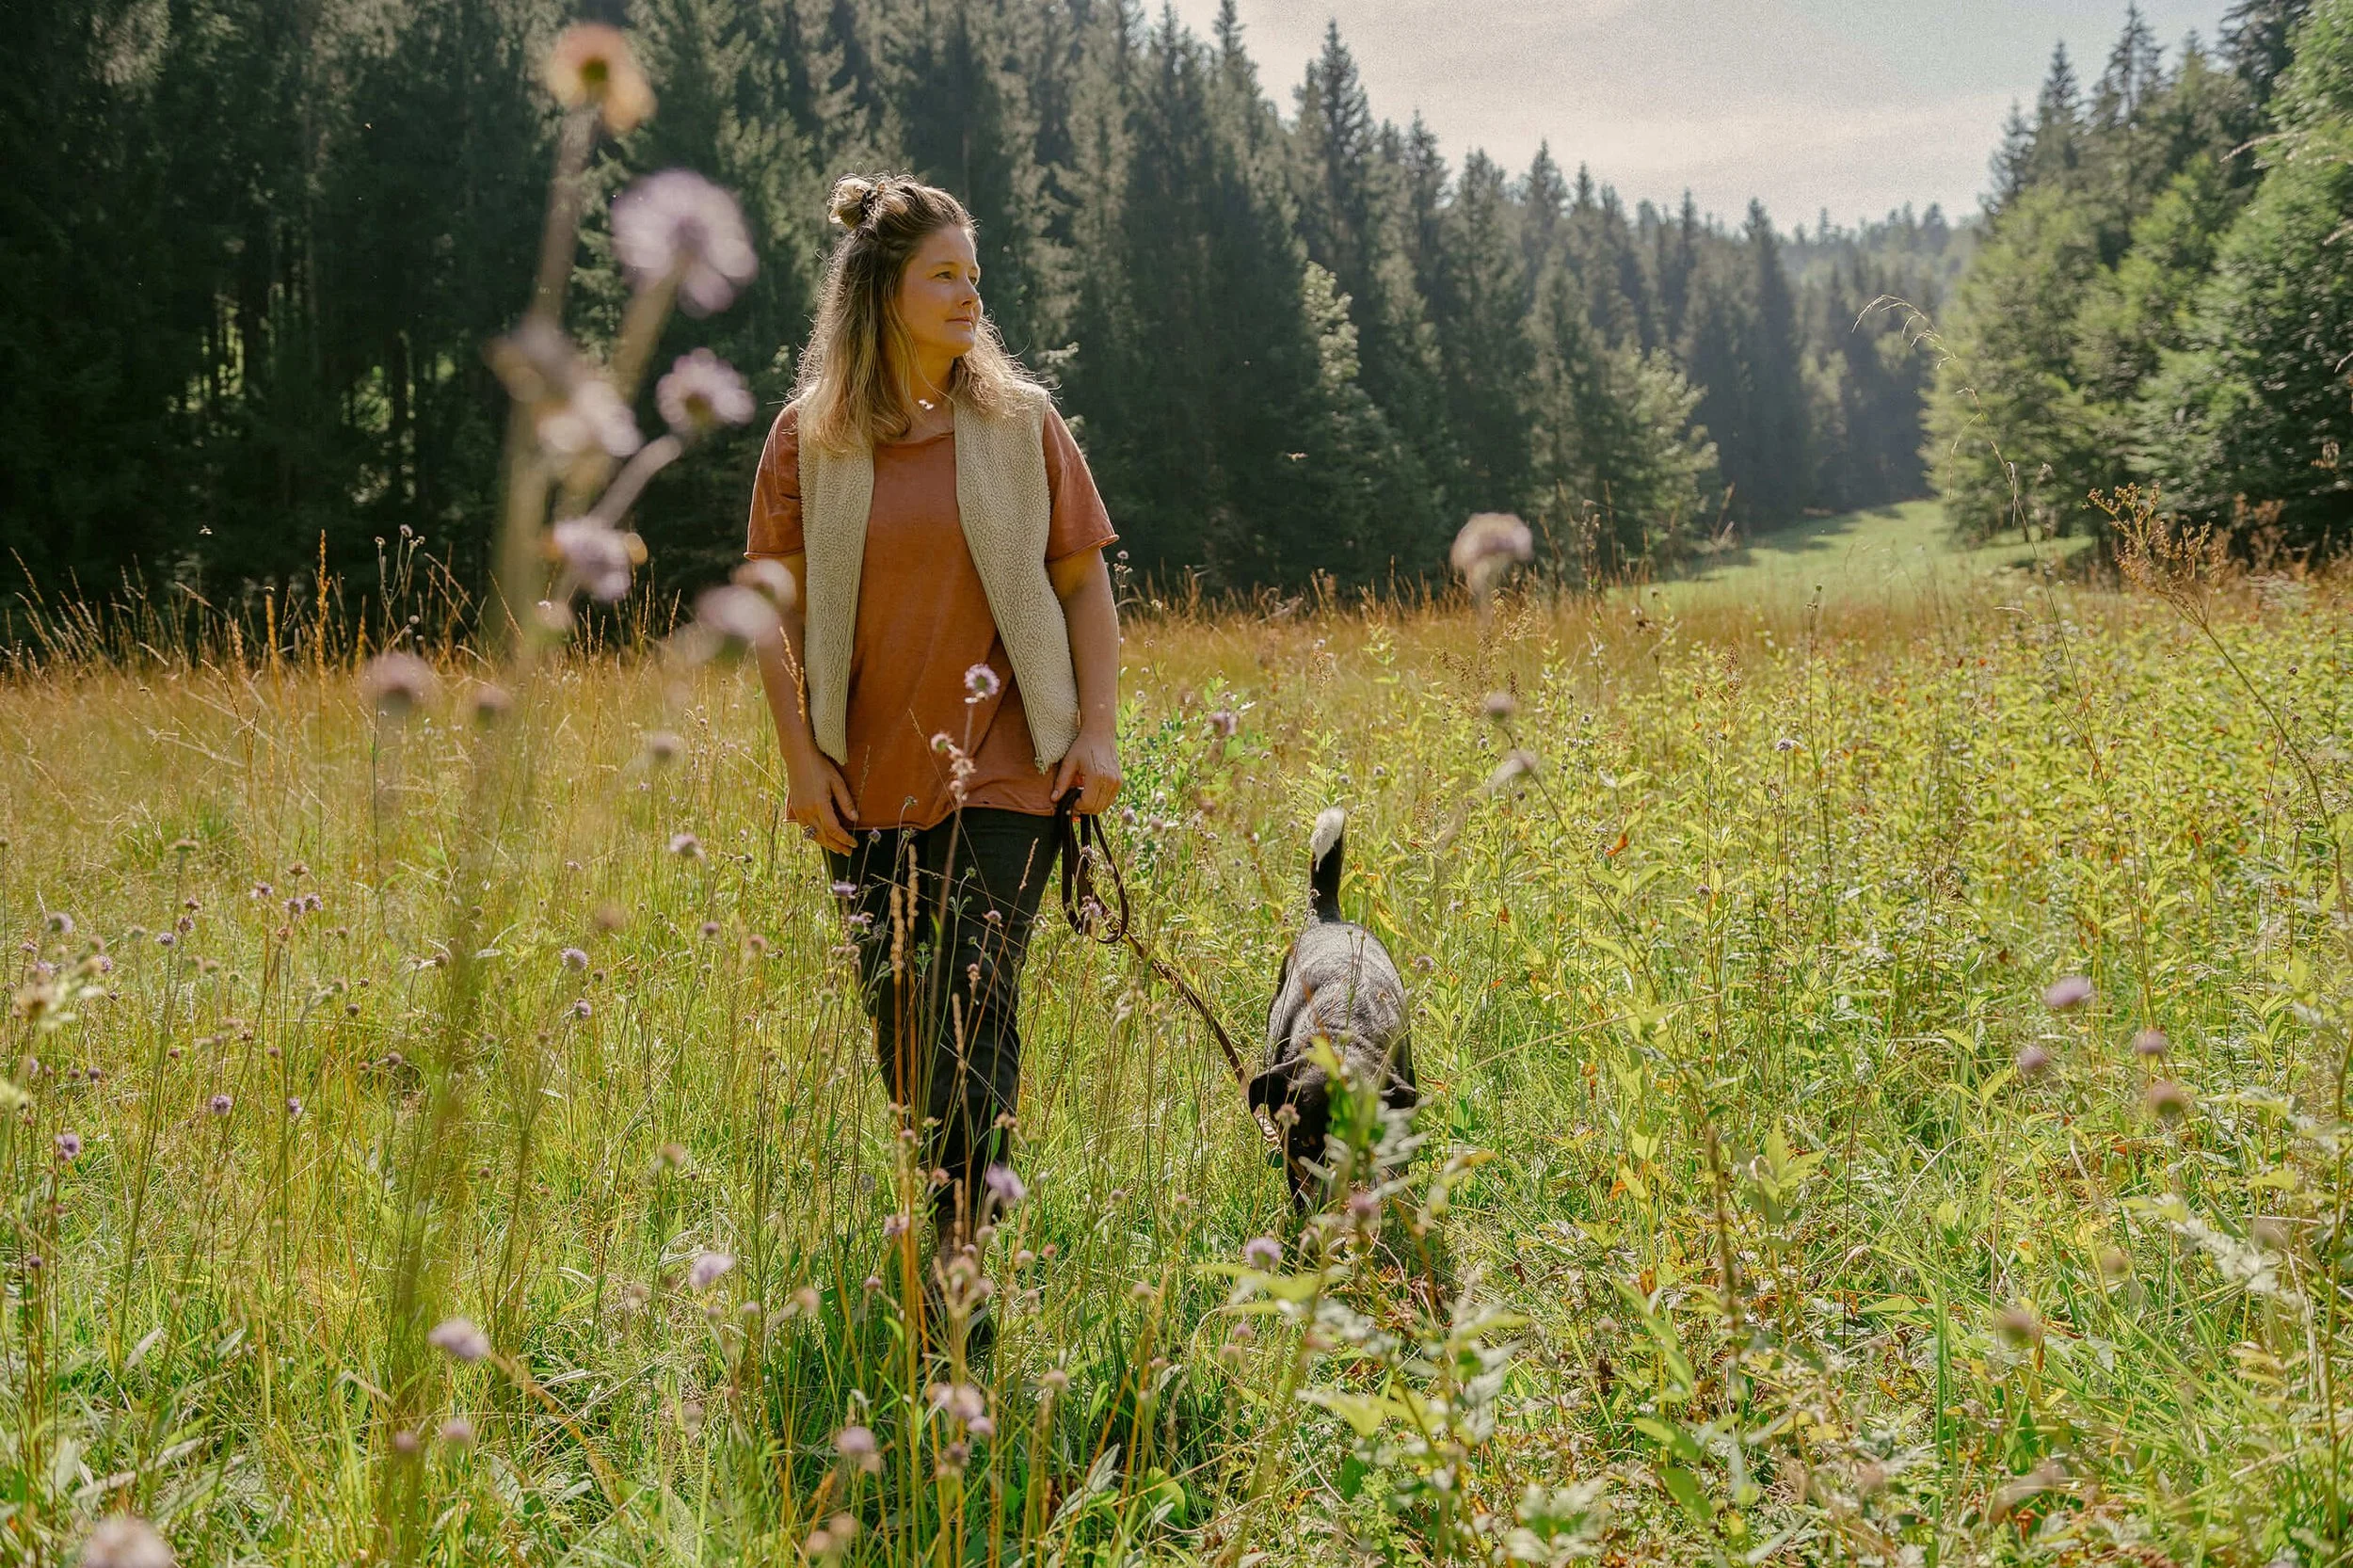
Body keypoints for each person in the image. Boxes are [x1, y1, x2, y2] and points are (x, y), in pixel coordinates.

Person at [744, 173, 1122, 1278]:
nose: (968, 296)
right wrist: (801, 762)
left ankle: (959, 1286)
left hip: (1007, 774)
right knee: (906, 1039)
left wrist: (1094, 732)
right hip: (865, 789)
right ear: (881, 291)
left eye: (974, 276)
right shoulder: (808, 439)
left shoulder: (1019, 422)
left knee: (976, 1016)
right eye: (943, 276)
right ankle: (949, 1235)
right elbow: (767, 608)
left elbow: (1082, 583)